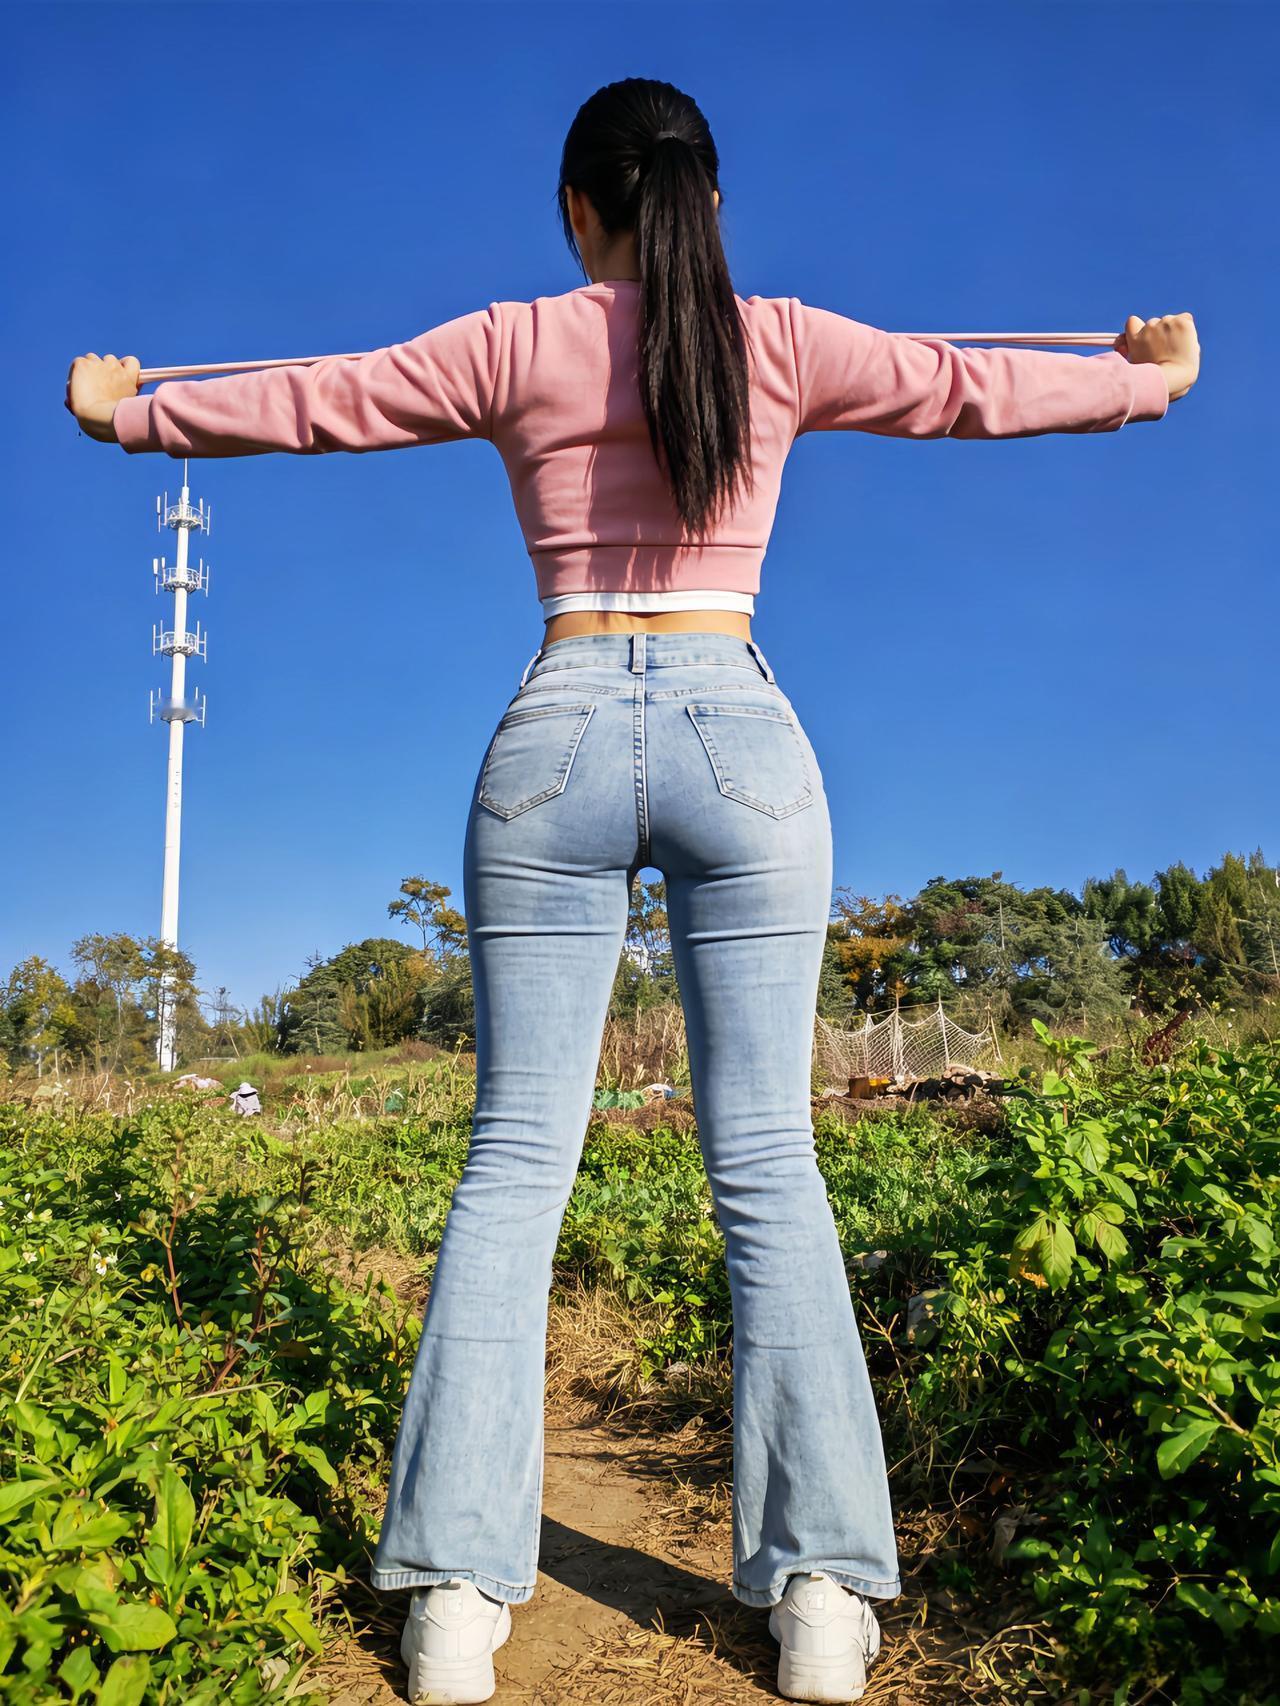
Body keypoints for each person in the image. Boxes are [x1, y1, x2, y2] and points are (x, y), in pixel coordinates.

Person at [65, 75, 1198, 1706]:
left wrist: (131, 409)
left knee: (513, 1166)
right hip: (743, 725)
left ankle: (455, 1596)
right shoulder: (784, 337)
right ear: (712, 206)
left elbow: (327, 397)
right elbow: (963, 387)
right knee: (770, 1166)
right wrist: (1140, 379)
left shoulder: (521, 341)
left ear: (577, 214)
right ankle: (817, 1596)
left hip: (558, 730)